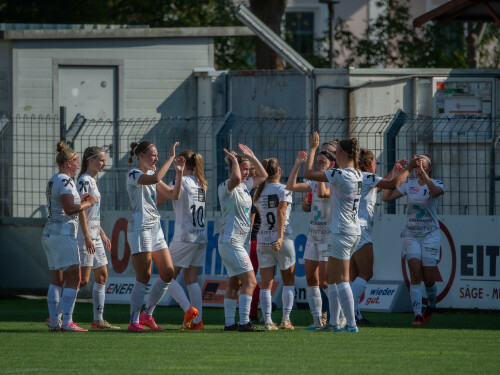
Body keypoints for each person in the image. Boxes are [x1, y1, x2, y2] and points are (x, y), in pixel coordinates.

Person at [304, 132, 362, 333]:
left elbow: (309, 174)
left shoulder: (342, 174)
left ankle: (349, 323)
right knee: (332, 277)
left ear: (343, 154)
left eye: (336, 153)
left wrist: (312, 150)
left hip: (341, 231)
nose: (334, 157)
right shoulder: (357, 174)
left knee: (340, 279)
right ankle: (334, 323)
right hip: (353, 231)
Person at [126, 141, 186, 332]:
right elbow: (154, 179)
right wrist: (170, 158)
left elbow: (173, 195)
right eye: (153, 155)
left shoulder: (152, 175)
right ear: (141, 156)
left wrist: (179, 172)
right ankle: (134, 321)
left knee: (168, 272)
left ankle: (147, 315)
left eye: (158, 155)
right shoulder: (134, 174)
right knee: (143, 275)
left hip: (155, 227)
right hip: (140, 228)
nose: (156, 158)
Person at [350, 149, 415, 324]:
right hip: (361, 229)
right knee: (366, 273)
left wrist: (394, 171)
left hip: (350, 228)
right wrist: (409, 168)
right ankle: (346, 312)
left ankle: (354, 316)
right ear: (370, 163)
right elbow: (393, 185)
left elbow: (379, 186)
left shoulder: (356, 177)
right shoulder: (367, 177)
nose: (375, 165)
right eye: (374, 162)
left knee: (353, 275)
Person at [42, 141, 98, 332]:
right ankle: (67, 322)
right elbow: (69, 209)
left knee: (56, 279)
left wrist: (80, 201)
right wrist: (88, 203)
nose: (77, 165)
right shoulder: (66, 180)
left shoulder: (54, 179)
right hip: (63, 233)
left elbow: (65, 204)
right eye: (75, 162)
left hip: (50, 233)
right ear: (68, 163)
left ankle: (55, 323)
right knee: (75, 277)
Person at [382, 154, 444, 325]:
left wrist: (424, 175)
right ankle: (417, 315)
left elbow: (435, 193)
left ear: (429, 168)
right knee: (415, 274)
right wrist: (395, 175)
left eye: (422, 166)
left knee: (429, 279)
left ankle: (431, 305)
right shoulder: (409, 185)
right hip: (411, 235)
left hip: (430, 235)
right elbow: (386, 197)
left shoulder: (437, 184)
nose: (418, 170)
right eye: (416, 167)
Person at [218, 144, 268, 332]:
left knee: (234, 283)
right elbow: (237, 177)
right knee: (250, 282)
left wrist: (252, 156)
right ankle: (245, 322)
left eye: (248, 169)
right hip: (231, 242)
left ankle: (230, 323)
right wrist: (233, 160)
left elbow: (263, 176)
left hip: (236, 242)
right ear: (232, 167)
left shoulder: (245, 187)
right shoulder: (226, 186)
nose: (246, 172)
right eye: (243, 168)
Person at [286, 147, 336, 330]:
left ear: (332, 164)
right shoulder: (313, 182)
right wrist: (298, 165)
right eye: (317, 162)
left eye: (323, 162)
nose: (318, 164)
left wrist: (322, 174)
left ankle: (340, 315)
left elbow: (323, 193)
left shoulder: (335, 181)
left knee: (324, 281)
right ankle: (317, 321)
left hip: (327, 237)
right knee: (311, 279)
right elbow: (290, 186)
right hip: (313, 236)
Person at [76, 146, 119, 330]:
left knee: (102, 275)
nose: (104, 163)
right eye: (101, 160)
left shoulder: (92, 181)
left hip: (95, 236)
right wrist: (87, 237)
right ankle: (57, 314)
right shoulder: (84, 181)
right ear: (91, 160)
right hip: (86, 237)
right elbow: (81, 211)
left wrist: (101, 233)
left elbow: (93, 211)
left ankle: (98, 320)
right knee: (82, 280)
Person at [254, 158, 296, 330]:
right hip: (283, 238)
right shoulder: (284, 189)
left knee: (266, 283)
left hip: (263, 239)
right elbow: (281, 211)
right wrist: (279, 237)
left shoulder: (259, 191)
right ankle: (286, 319)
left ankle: (268, 321)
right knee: (288, 281)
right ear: (279, 171)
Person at [167, 150, 207, 330]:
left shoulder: (179, 181)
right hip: (201, 235)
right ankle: (197, 323)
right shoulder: (201, 183)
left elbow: (164, 196)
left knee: (166, 276)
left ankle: (188, 309)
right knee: (191, 279)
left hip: (184, 236)